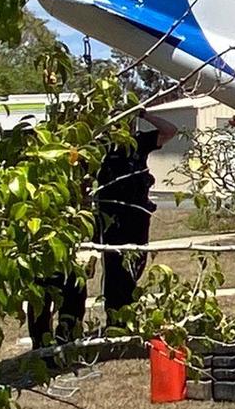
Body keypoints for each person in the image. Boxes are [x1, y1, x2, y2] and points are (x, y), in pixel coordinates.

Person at [96, 108, 176, 324]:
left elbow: (170, 130)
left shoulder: (140, 141)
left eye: (128, 121)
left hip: (138, 213)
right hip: (112, 214)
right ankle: (115, 319)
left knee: (136, 262)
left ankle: (129, 314)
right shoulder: (102, 145)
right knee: (114, 267)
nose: (125, 126)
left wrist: (144, 115)